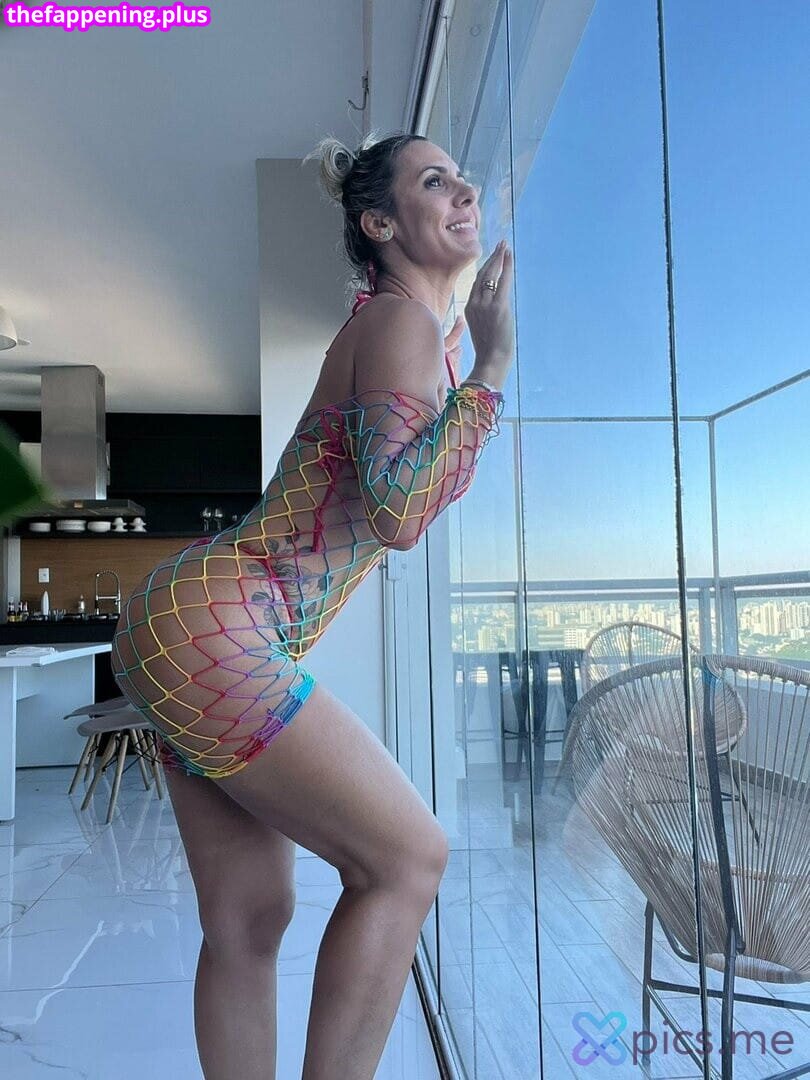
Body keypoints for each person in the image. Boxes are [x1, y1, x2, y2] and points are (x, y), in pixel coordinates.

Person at [110, 129, 515, 1080]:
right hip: (221, 627)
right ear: (380, 224)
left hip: (181, 621)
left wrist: (461, 343)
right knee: (408, 860)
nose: (464, 191)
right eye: (435, 180)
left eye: (462, 177)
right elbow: (400, 511)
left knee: (249, 920)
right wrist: (493, 368)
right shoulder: (398, 322)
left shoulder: (406, 329)